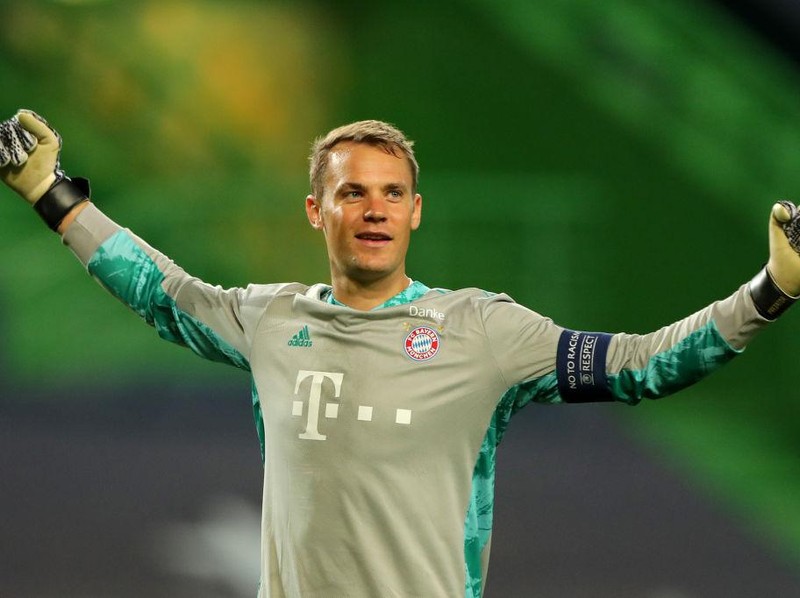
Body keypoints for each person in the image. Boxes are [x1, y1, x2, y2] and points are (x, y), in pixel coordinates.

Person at [1, 109, 799, 598]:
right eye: (352, 191)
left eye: (391, 193)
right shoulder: (270, 319)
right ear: (317, 210)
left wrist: (770, 288)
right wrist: (51, 193)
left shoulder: (484, 331)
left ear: (416, 212)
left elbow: (646, 364)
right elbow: (158, 289)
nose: (373, 209)